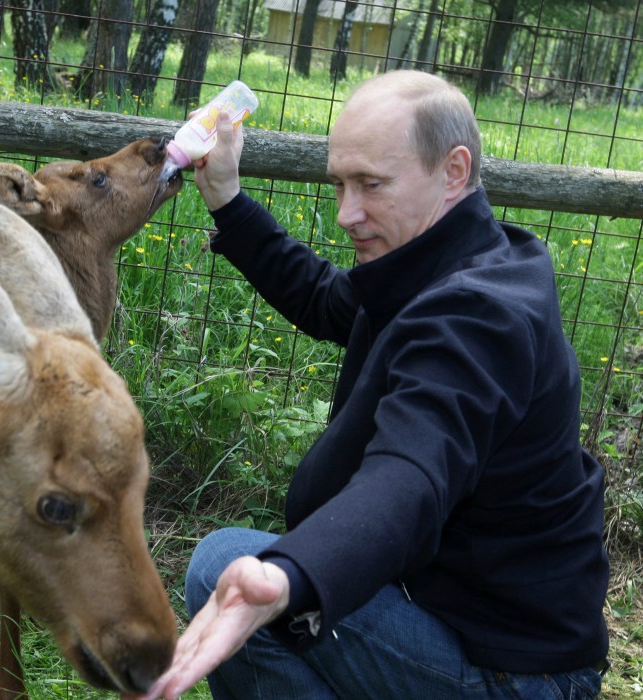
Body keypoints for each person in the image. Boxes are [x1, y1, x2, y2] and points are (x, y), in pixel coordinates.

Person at [136, 70, 610, 700]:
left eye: (371, 184)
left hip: (514, 673)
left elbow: (409, 476)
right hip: (464, 615)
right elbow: (328, 300)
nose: (345, 214)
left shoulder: (478, 317)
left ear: (453, 171)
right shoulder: (440, 261)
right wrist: (226, 196)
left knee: (224, 563)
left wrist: (292, 576)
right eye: (338, 184)